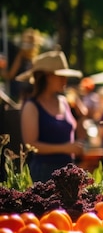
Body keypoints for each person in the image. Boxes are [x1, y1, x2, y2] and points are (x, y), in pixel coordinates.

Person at [18, 49, 84, 182]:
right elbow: (31, 144)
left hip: (68, 171)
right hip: (44, 173)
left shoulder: (64, 102)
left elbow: (78, 134)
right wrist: (65, 148)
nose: (65, 79)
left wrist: (82, 116)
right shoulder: (32, 106)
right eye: (60, 75)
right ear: (47, 76)